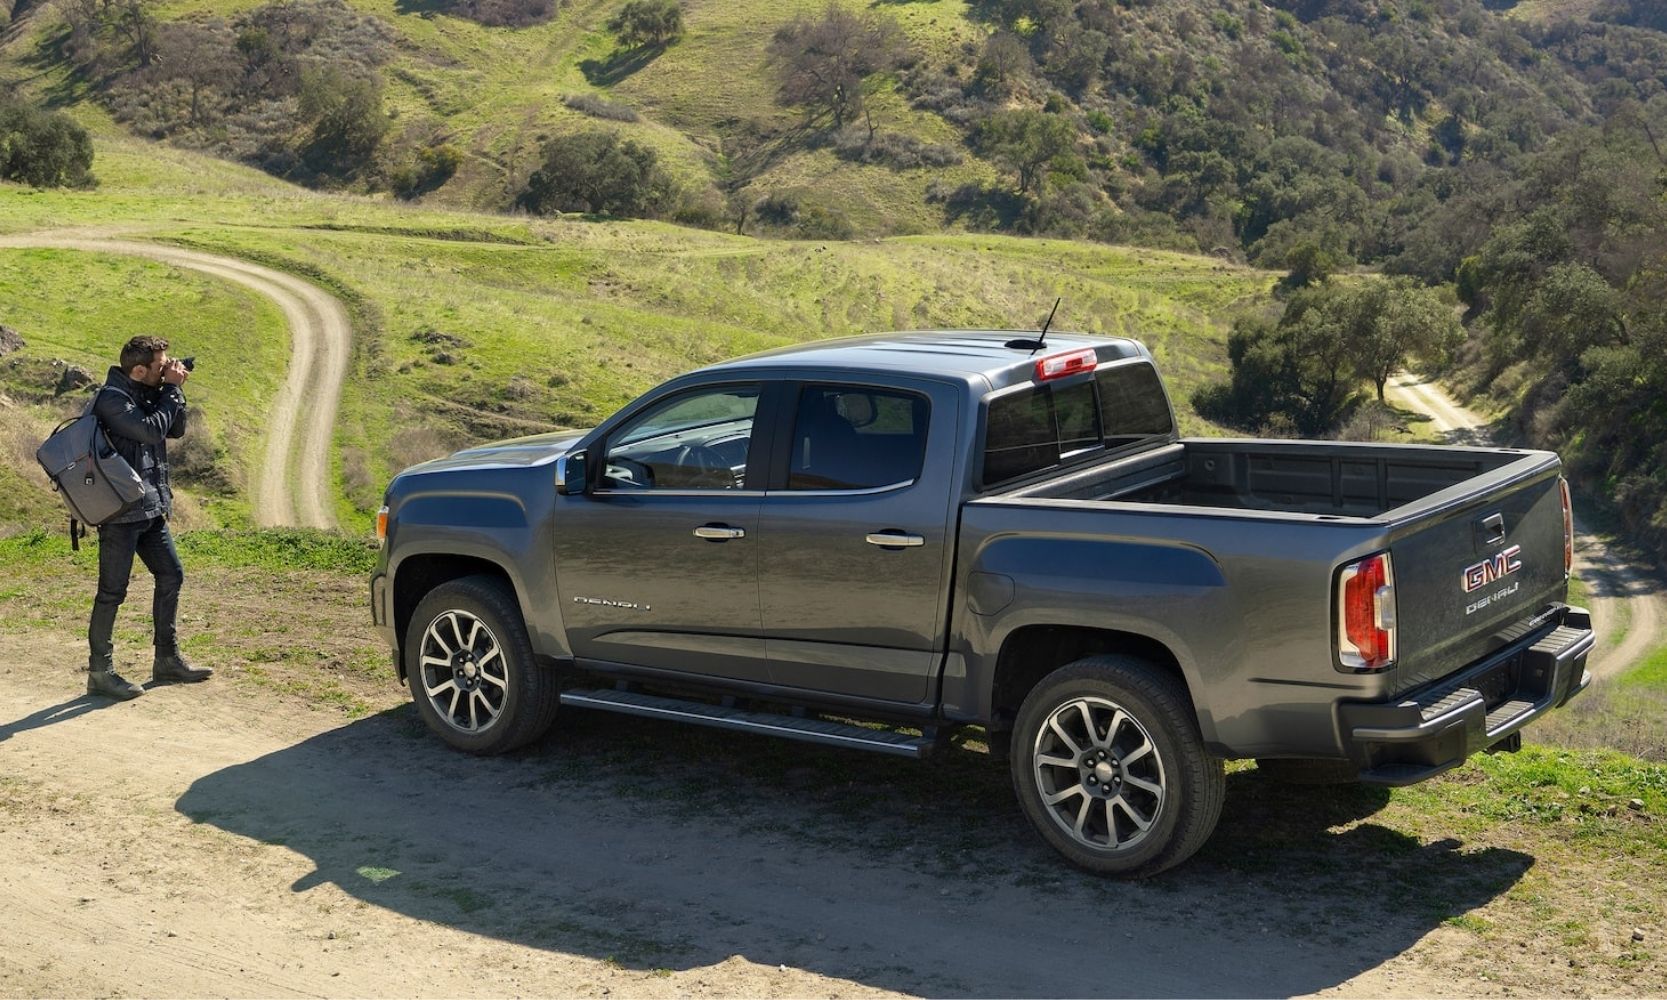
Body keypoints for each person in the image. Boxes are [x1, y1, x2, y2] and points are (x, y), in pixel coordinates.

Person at [85, 335, 213, 700]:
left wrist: (172, 389)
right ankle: (100, 672)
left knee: (171, 574)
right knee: (112, 592)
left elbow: (174, 429)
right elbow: (148, 430)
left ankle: (167, 659)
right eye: (160, 366)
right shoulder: (112, 399)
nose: (166, 369)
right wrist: (170, 391)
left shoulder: (147, 390)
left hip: (150, 508)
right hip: (120, 514)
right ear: (138, 370)